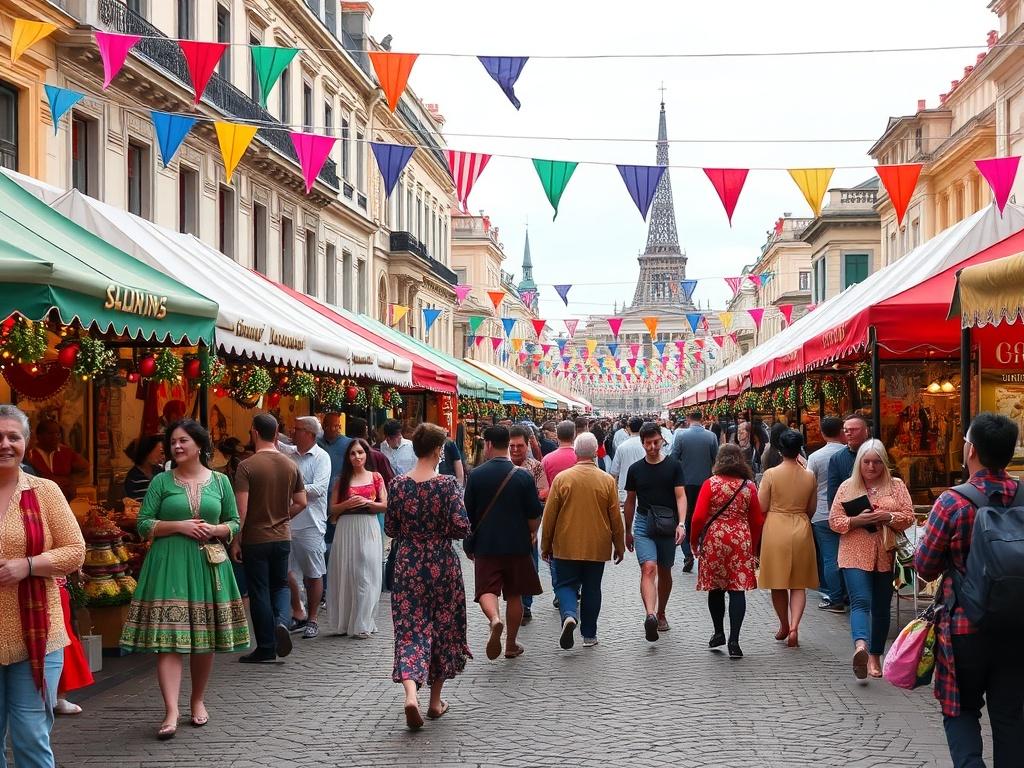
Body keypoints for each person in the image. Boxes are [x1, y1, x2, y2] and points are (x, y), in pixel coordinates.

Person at [120, 419, 249, 738]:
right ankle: (171, 710)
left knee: (204, 640)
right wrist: (179, 526)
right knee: (169, 639)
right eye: (172, 442)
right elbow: (143, 524)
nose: (176, 447)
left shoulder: (220, 481)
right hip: (168, 563)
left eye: (183, 441)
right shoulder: (161, 482)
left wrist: (218, 530)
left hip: (208, 564)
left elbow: (233, 521)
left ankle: (198, 700)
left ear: (200, 445)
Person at [915, 413, 1024, 766]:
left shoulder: (953, 501)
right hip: (1017, 625)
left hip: (964, 626)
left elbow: (925, 565)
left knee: (961, 712)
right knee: (1010, 716)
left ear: (971, 449)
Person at [0, 404, 86, 763]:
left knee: (30, 736)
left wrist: (29, 565)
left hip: (37, 635)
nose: (5, 444)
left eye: (13, 437)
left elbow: (76, 551)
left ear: (25, 442)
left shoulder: (44, 491)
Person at [386, 424, 471, 730]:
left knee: (411, 629)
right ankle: (435, 701)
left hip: (407, 563)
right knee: (443, 628)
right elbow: (462, 526)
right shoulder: (447, 485)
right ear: (438, 450)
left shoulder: (397, 485)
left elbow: (391, 528)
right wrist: (439, 531)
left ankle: (411, 694)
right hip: (441, 564)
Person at [830, 439, 913, 679]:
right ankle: (861, 648)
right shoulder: (848, 486)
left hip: (885, 554)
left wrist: (887, 516)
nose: (871, 467)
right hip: (854, 552)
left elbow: (908, 516)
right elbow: (835, 521)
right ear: (859, 463)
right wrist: (858, 521)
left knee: (881, 607)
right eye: (866, 462)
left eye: (877, 462)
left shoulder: (895, 485)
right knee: (860, 601)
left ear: (884, 463)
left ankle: (876, 655)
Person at [231, 414, 306, 664]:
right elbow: (301, 502)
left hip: (256, 537)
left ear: (253, 432)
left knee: (259, 590)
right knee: (281, 585)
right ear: (276, 434)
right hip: (282, 535)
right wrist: (284, 516)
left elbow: (241, 511)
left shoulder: (246, 466)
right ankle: (282, 622)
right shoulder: (290, 464)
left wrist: (236, 540)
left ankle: (265, 645)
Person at [464, 426, 543, 661]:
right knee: (515, 594)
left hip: (486, 544)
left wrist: (469, 544)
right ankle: (510, 644)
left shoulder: (476, 475)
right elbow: (533, 515)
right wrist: (532, 532)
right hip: (517, 544)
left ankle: (494, 619)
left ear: (488, 445)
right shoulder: (522, 476)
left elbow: (467, 514)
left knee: (487, 590)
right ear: (507, 444)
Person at [541, 433, 625, 650]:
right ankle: (589, 634)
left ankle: (569, 614)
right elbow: (615, 516)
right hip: (597, 545)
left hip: (565, 544)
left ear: (576, 452)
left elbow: (550, 515)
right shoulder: (606, 480)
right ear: (596, 451)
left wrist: (545, 544)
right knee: (592, 588)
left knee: (565, 584)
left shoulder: (562, 479)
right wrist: (619, 545)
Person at [689, 444, 764, 659]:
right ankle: (735, 641)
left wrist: (694, 542)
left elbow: (698, 517)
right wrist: (754, 547)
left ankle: (718, 632)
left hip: (715, 539)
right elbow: (758, 520)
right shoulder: (748, 486)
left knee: (716, 587)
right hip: (740, 539)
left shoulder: (710, 484)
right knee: (737, 589)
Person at [624, 423, 686, 641]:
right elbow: (630, 501)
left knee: (665, 571)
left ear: (662, 440)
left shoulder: (673, 466)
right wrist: (627, 531)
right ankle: (650, 615)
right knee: (649, 568)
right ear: (642, 444)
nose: (652, 447)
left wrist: (682, 523)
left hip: (668, 524)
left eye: (655, 442)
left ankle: (661, 612)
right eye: (648, 443)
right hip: (643, 524)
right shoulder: (635, 470)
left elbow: (680, 496)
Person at [757, 429, 818, 648]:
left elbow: (762, 505)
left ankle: (783, 624)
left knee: (778, 583)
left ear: (780, 449)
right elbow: (812, 508)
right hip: (801, 526)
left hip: (776, 526)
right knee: (798, 583)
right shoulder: (809, 475)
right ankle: (794, 627)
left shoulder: (771, 474)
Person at [324, 438, 387, 638]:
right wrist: (347, 505)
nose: (357, 456)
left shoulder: (376, 477)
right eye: (352, 453)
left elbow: (385, 505)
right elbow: (332, 508)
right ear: (348, 457)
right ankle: (346, 621)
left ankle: (362, 622)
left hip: (368, 526)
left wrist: (367, 503)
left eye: (360, 452)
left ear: (366, 454)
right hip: (346, 528)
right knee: (347, 572)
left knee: (366, 572)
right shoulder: (341, 480)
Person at [282, 417, 331, 639]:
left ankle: (312, 619)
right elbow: (273, 442)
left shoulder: (322, 458)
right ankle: (298, 611)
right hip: (287, 521)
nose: (293, 432)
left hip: (311, 523)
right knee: (286, 569)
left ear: (310, 434)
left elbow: (319, 489)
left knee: (313, 573)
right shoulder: (289, 453)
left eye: (297, 429)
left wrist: (291, 489)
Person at [806, 417, 848, 613]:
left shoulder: (815, 457)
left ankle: (835, 597)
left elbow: (808, 484)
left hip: (822, 512)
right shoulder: (848, 453)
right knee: (848, 555)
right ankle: (849, 594)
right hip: (848, 512)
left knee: (829, 558)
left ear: (822, 433)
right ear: (841, 431)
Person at [670, 410, 720, 573]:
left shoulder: (681, 437)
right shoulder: (711, 436)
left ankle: (687, 554)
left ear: (688, 419)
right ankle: (704, 552)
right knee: (704, 517)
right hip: (705, 484)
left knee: (684, 518)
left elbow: (673, 458)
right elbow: (716, 458)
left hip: (684, 484)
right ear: (702, 419)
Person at [509, 425, 548, 622]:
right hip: (505, 525)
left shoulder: (535, 466)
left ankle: (526, 604)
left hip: (528, 524)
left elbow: (544, 492)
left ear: (527, 445)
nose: (515, 450)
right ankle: (515, 602)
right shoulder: (501, 465)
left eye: (520, 446)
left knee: (530, 564)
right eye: (512, 446)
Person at [27, 418, 89, 501]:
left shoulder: (65, 451)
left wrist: (70, 481)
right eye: (50, 434)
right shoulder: (30, 454)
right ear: (39, 436)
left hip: (65, 502)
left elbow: (85, 467)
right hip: (39, 501)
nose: (55, 437)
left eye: (58, 434)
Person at [827, 414, 871, 509]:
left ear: (866, 431)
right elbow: (833, 494)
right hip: (851, 515)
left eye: (854, 429)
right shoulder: (837, 458)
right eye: (846, 430)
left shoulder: (879, 454)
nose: (849, 433)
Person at [608, 417, 646, 506]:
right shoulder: (647, 446)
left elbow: (614, 472)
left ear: (628, 428)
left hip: (625, 488)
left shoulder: (622, 447)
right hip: (644, 488)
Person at [123, 434, 164, 501]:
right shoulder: (134, 477)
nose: (163, 457)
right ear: (147, 453)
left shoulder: (159, 471)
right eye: (161, 453)